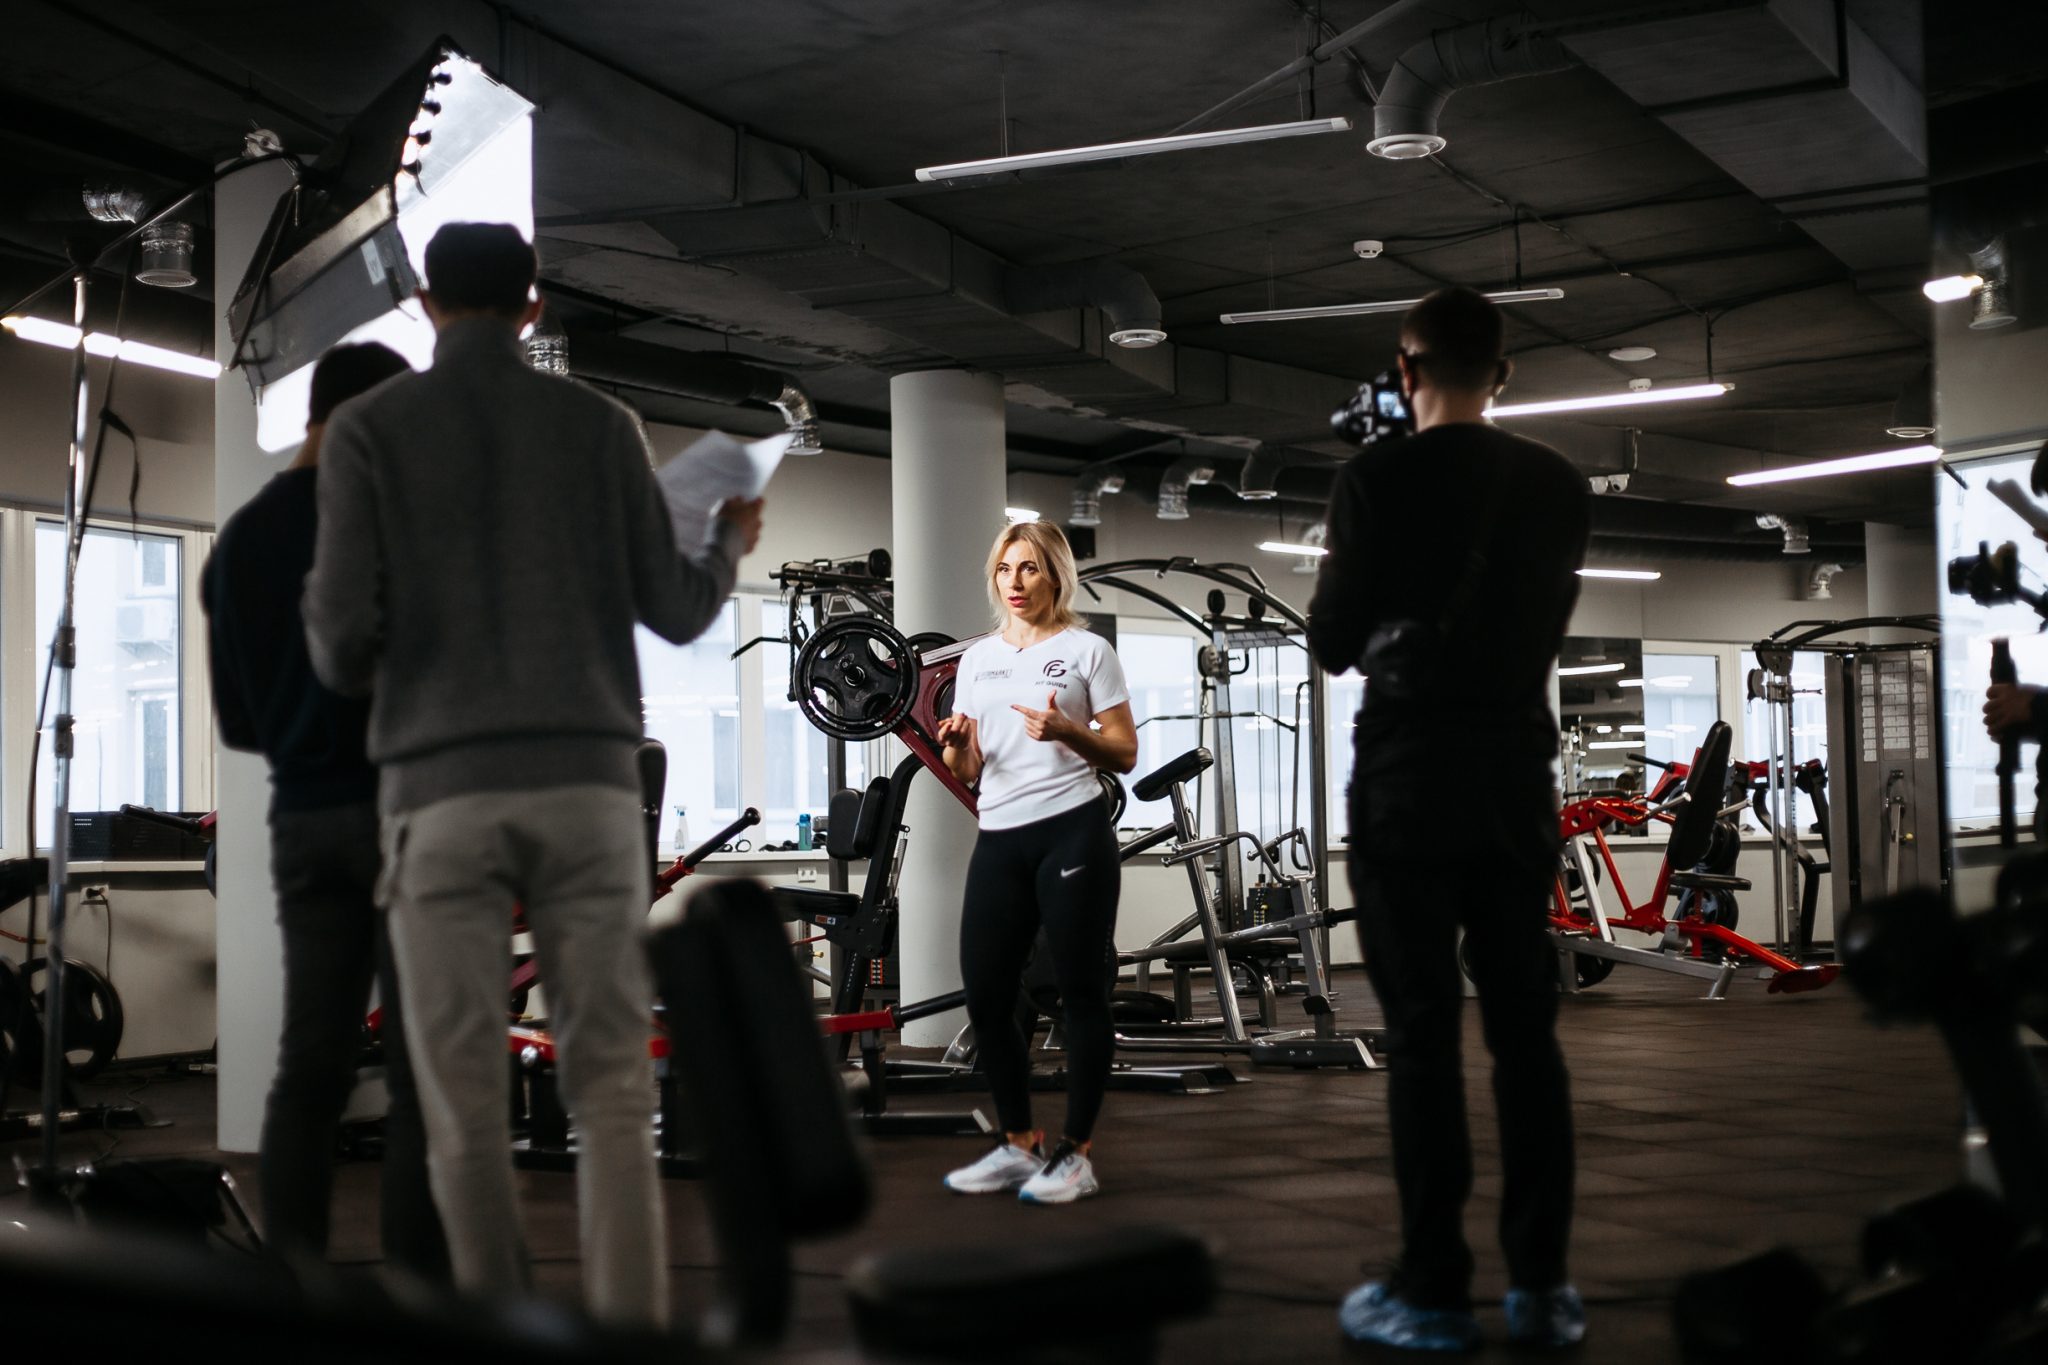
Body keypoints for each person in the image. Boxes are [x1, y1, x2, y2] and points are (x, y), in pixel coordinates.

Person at [302, 222, 763, 1326]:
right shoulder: (603, 427)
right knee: (611, 1090)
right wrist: (725, 546)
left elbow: (338, 647)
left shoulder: (367, 431)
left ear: (424, 304)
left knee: (461, 1104)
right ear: (533, 306)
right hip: (588, 792)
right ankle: (628, 1335)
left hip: (440, 795)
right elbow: (675, 610)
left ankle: (497, 1331)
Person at [1307, 287, 1590, 1351]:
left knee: (1422, 1036)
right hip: (1513, 779)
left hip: (1407, 781)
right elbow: (1540, 627)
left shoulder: (1373, 477)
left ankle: (1431, 1292)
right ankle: (1542, 1288)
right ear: (1502, 373)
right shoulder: (1556, 483)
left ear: (1404, 369)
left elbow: (1333, 640)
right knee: (1526, 1037)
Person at [204, 341, 448, 1282]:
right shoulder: (387, 525)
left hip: (302, 822)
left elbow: (237, 722)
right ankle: (418, 1292)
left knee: (311, 1064)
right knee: (424, 1071)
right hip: (401, 814)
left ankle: (292, 1280)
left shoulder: (241, 539)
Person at [934, 519, 1136, 1205]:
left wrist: (1069, 730)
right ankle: (1019, 1143)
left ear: (1054, 575)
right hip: (999, 836)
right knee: (987, 994)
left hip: (1072, 831)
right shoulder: (977, 659)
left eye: (1028, 568)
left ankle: (1076, 1154)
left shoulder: (1088, 651)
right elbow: (967, 769)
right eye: (1004, 569)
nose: (1014, 583)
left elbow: (1125, 752)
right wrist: (957, 743)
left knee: (1080, 993)